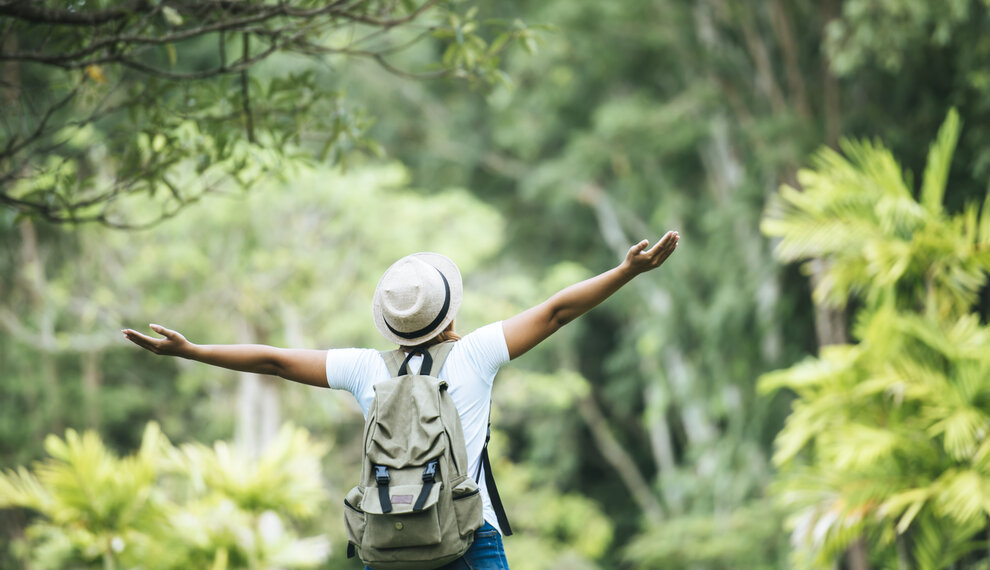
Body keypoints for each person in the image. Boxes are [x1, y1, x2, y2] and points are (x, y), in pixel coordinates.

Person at [122, 230, 679, 569]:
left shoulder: (365, 368)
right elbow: (557, 311)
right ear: (450, 312)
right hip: (468, 538)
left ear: (390, 324)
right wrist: (627, 271)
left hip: (389, 545)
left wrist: (192, 350)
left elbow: (274, 359)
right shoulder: (476, 355)